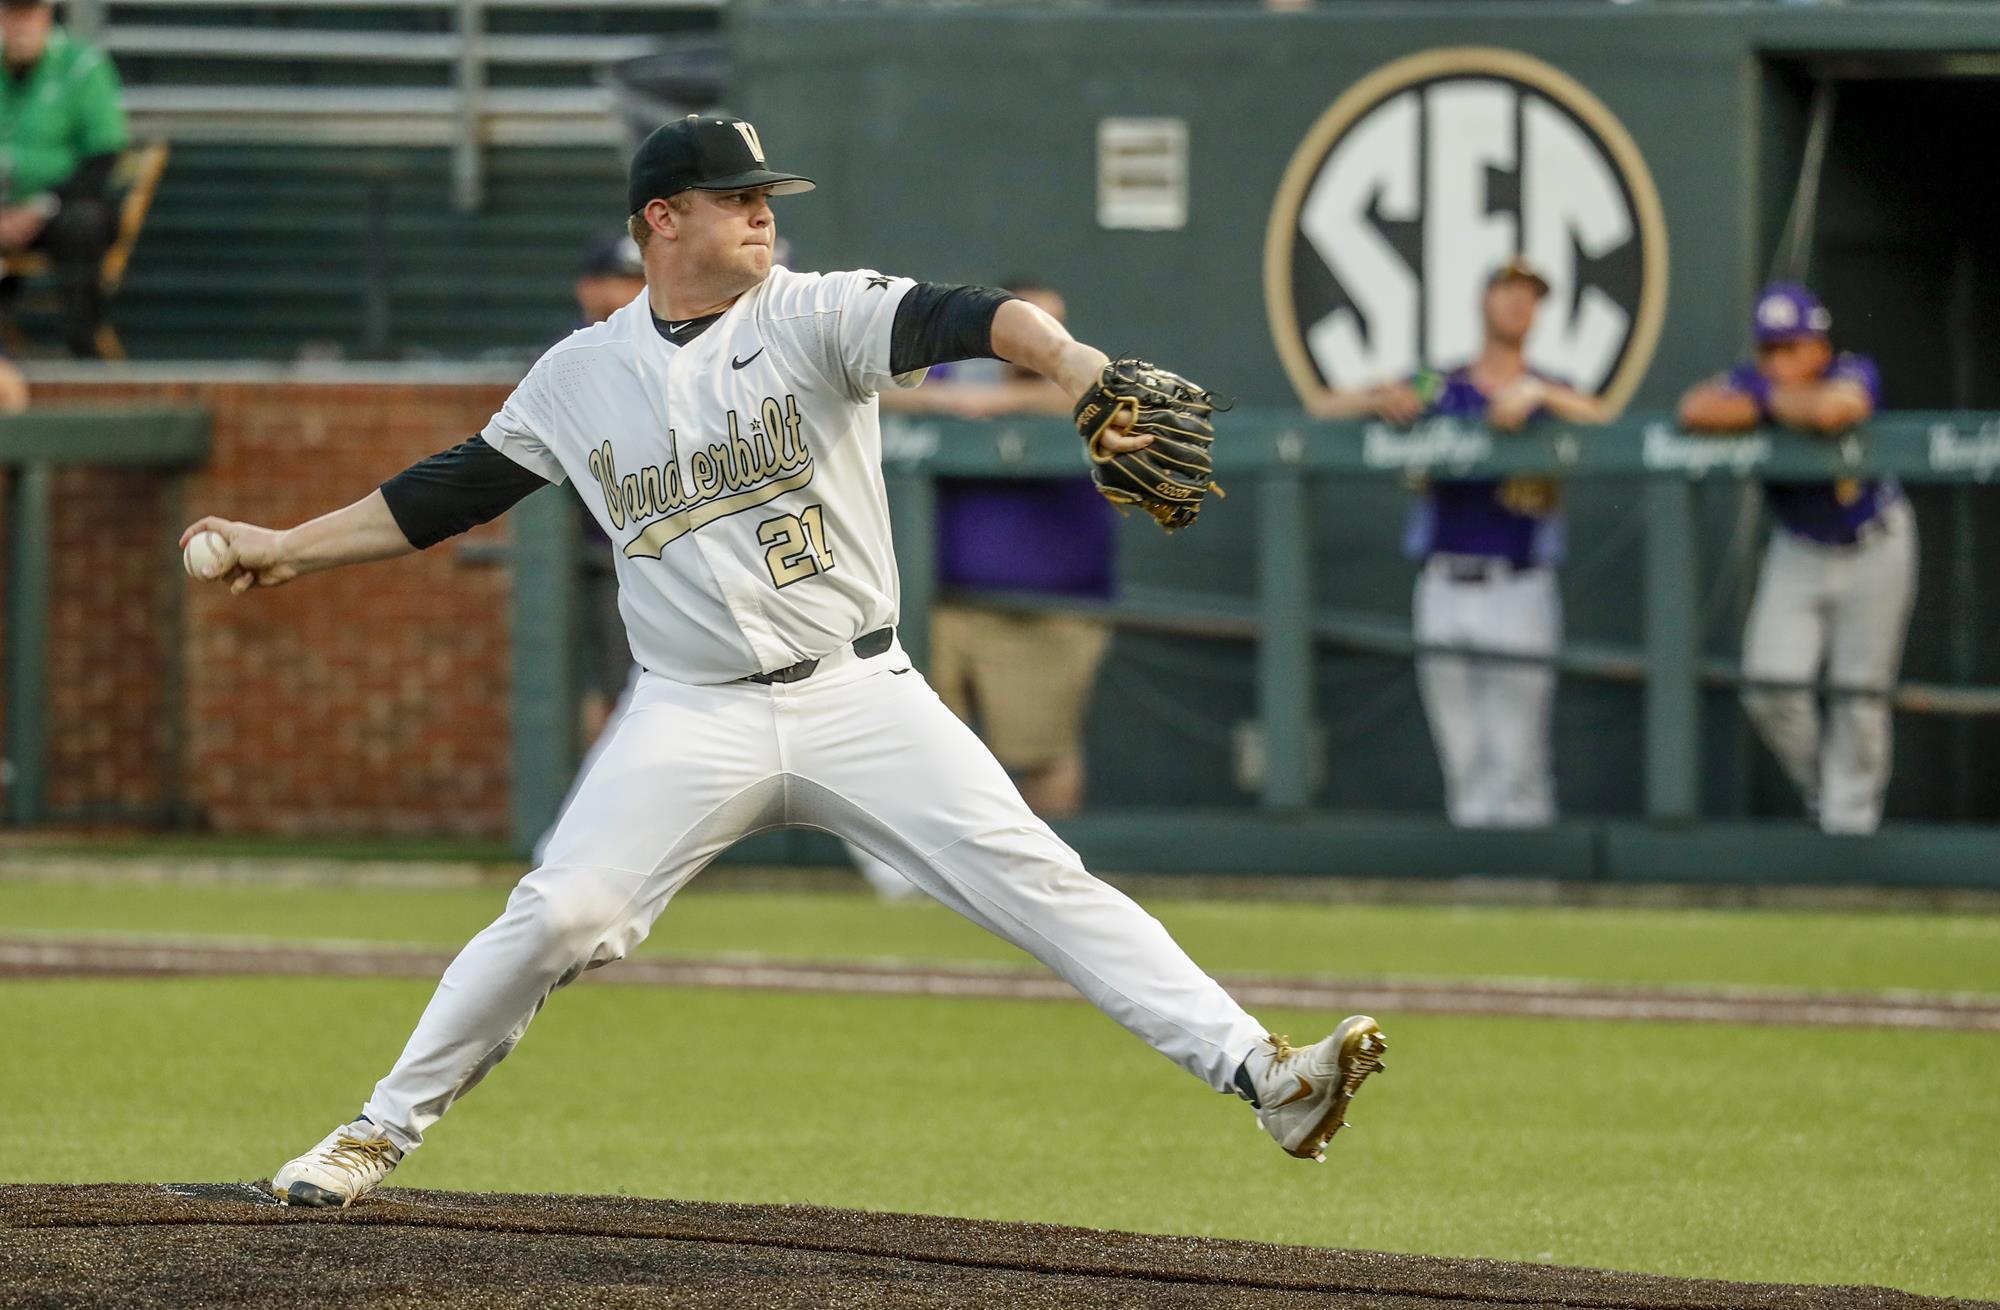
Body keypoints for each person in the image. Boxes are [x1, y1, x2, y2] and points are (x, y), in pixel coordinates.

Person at [180, 114, 1388, 1207]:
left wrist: (1073, 365)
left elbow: (968, 314)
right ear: (662, 219)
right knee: (561, 910)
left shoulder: (814, 312)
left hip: (861, 692)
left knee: (1040, 878)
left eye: (767, 195)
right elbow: (444, 492)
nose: (763, 212)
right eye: (736, 196)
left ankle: (1262, 1073)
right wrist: (286, 546)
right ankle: (374, 1131)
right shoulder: (579, 373)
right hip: (688, 713)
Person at [1308, 257, 1610, 827]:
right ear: (1484, 300)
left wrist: (1540, 396)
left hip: (1519, 582)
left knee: (1519, 759)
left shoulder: (1548, 385)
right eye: (1507, 290)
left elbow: (1603, 419)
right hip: (1444, 582)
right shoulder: (1441, 382)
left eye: (1530, 295)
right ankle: (1476, 875)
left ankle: (1527, 872)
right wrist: (1380, 400)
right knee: (1464, 757)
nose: (1518, 303)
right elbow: (1325, 406)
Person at [1677, 282, 1913, 834]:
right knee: (1770, 685)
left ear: (1819, 347)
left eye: (1792, 346)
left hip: (1874, 544)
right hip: (1800, 549)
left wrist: (1763, 403)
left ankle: (1850, 829)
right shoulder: (1753, 381)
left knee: (1860, 697)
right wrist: (1773, 399)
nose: (1780, 361)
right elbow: (1694, 408)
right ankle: (1828, 793)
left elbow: (1834, 410)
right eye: (1770, 349)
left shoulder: (1852, 368)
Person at [881, 280, 1117, 821]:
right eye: (1028, 327)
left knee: (1042, 758)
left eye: (1052, 326)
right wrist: (950, 401)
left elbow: (1104, 395)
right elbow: (875, 390)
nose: (1042, 339)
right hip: (937, 606)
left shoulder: (1079, 376)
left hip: (1046, 610)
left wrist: (1004, 402)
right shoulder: (958, 374)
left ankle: (1050, 868)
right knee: (921, 755)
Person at [0, 0, 128, 357]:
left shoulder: (81, 65)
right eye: (13, 13)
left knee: (83, 221)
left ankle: (83, 350)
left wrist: (40, 207)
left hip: (60, 208)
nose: (22, 25)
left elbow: (103, 157)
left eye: (30, 13)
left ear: (46, 14)